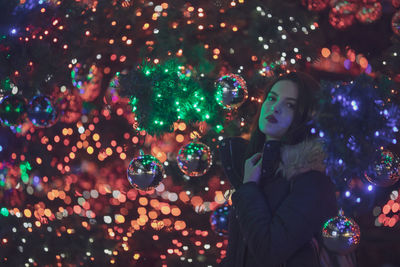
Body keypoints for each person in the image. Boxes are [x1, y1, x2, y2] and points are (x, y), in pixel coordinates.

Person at [218, 72, 338, 267]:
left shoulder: (313, 180)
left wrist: (248, 188)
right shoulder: (254, 168)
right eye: (272, 98)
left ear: (306, 116)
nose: (275, 107)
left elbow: (269, 252)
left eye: (290, 105)